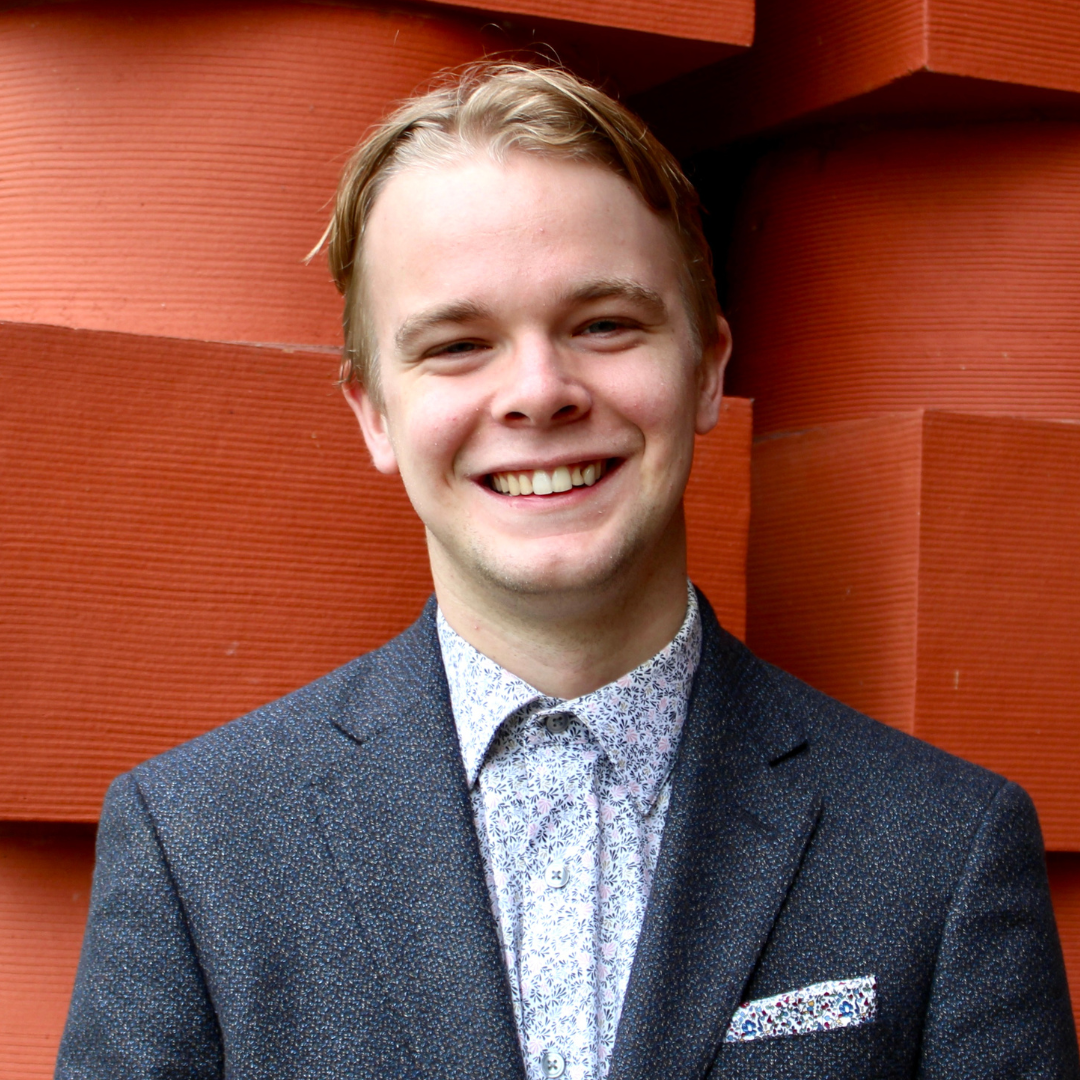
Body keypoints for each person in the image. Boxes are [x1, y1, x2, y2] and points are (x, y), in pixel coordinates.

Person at [57, 62, 1078, 1080]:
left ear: (709, 366)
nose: (539, 393)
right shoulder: (196, 845)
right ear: (373, 411)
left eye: (605, 325)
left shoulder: (943, 851)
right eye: (458, 344)